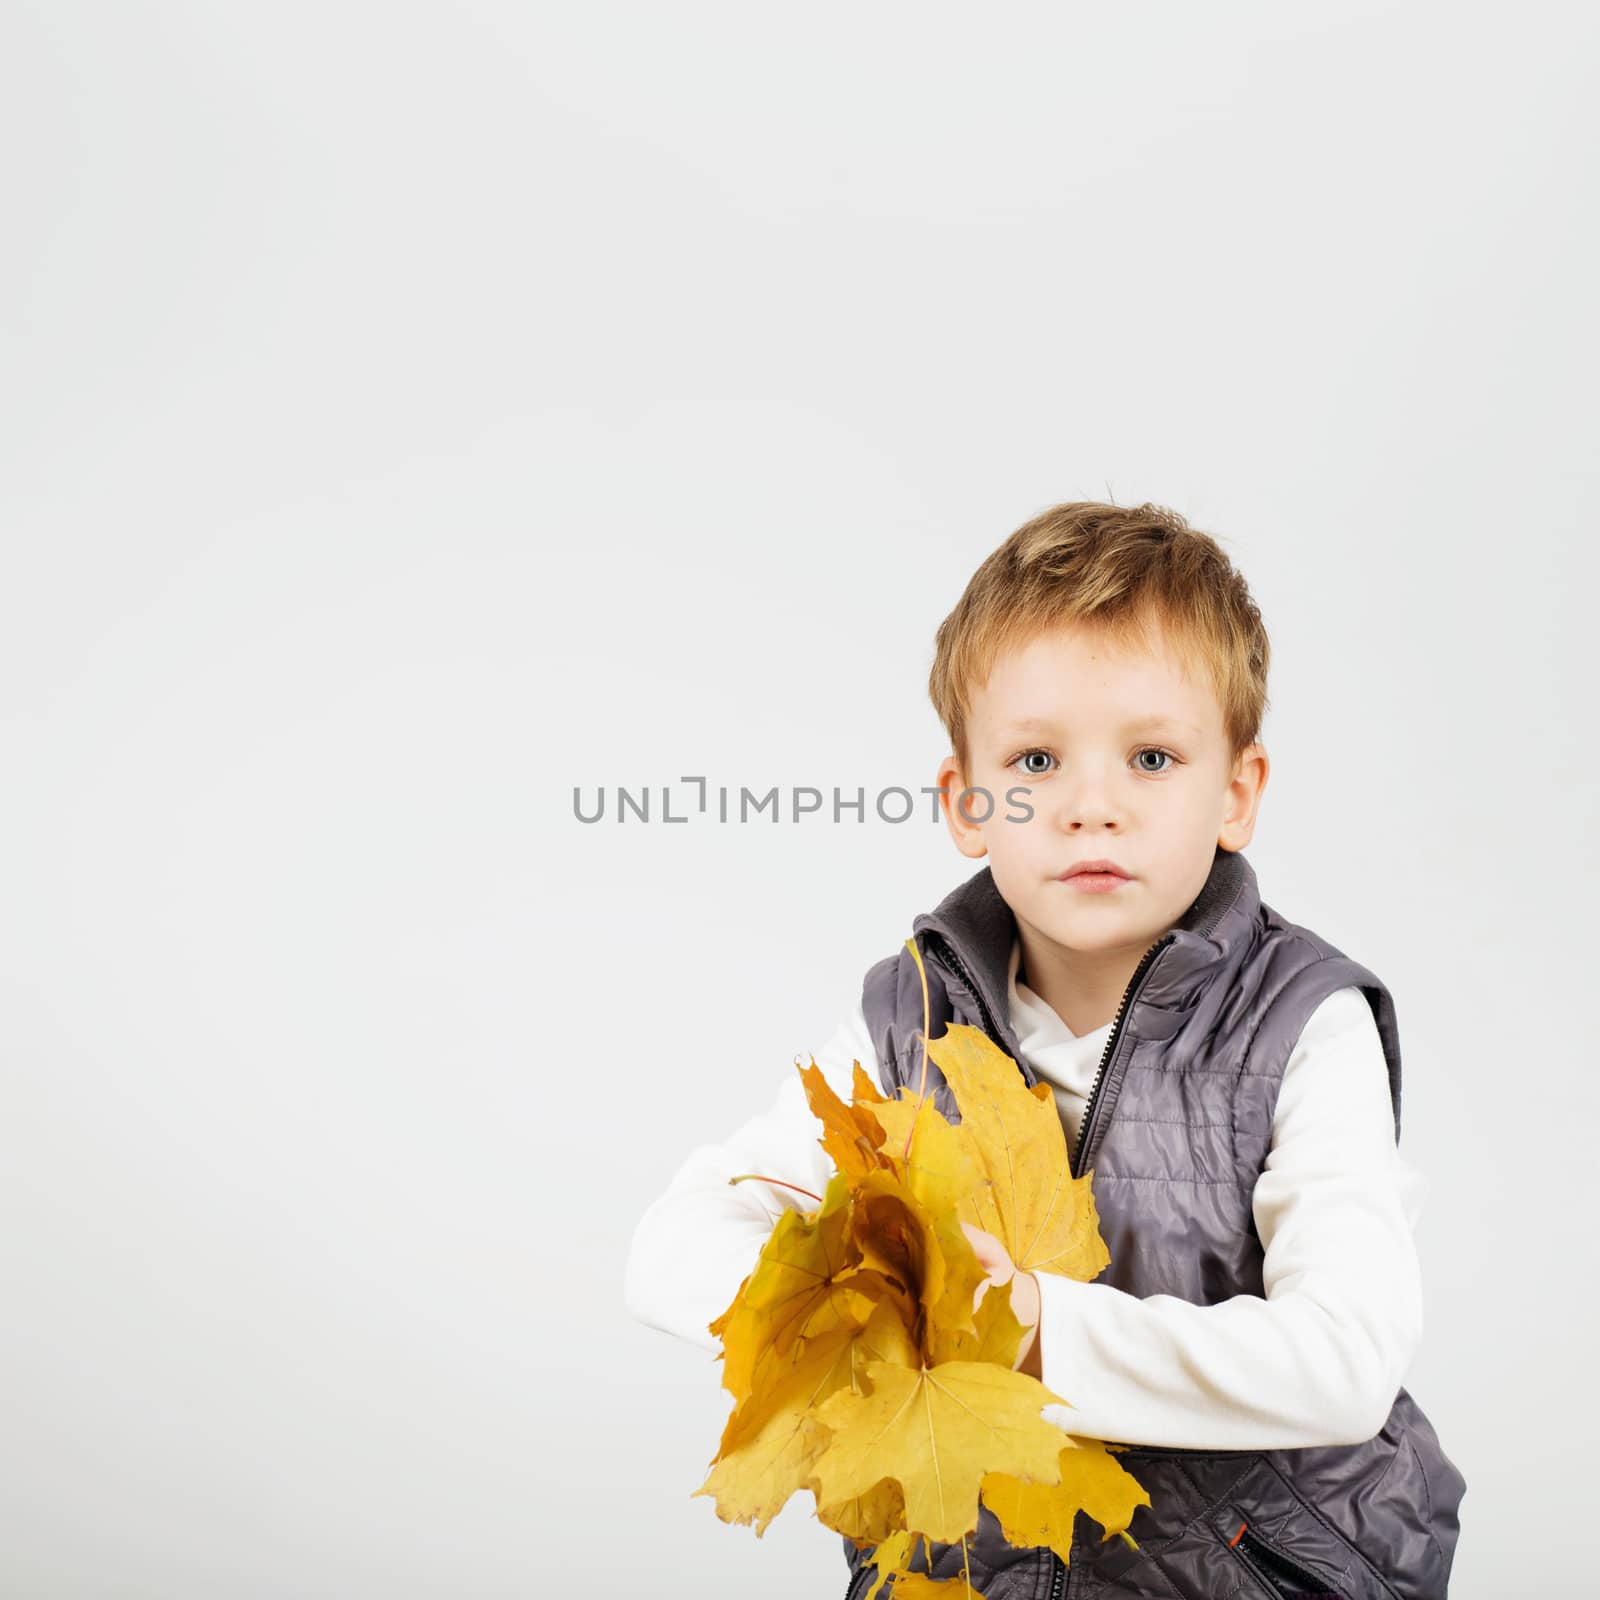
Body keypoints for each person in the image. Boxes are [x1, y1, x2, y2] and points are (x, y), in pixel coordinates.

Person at [623, 501, 1467, 1599]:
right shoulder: (907, 1020)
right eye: (1035, 759)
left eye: (1152, 756)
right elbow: (673, 1243)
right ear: (967, 802)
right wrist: (875, 1304)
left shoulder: (1302, 1020)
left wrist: (1028, 1330)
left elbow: (1344, 1362)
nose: (1090, 807)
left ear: (1236, 792)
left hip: (1252, 1571)